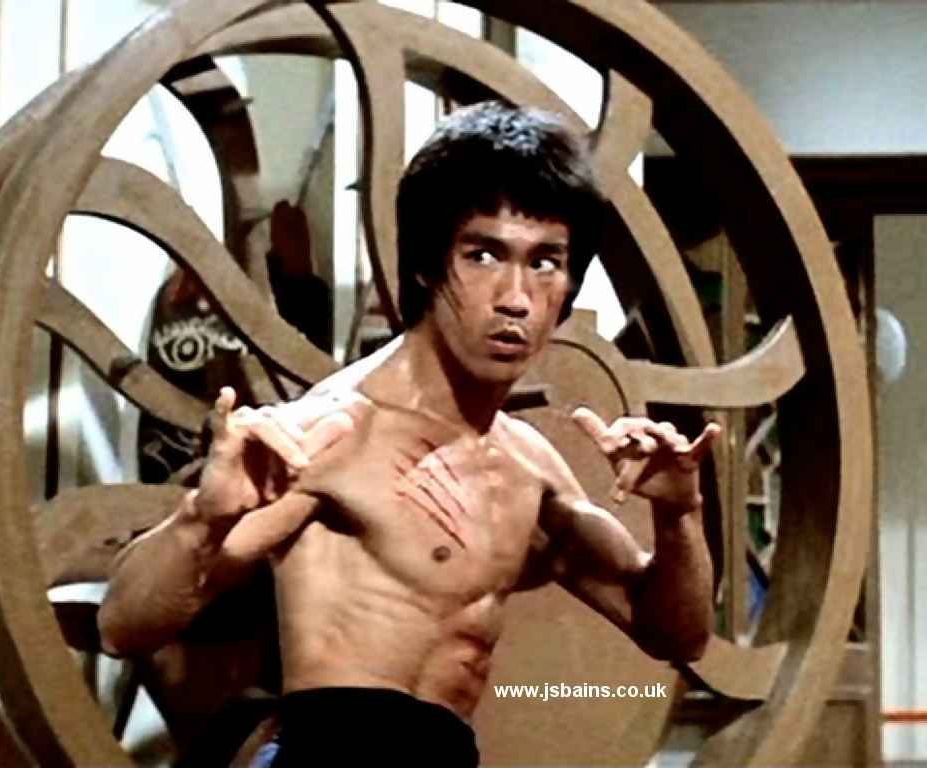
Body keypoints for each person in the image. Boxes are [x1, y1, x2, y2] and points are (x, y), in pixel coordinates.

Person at [98, 101, 718, 768]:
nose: (516, 297)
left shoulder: (527, 464)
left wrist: (679, 514)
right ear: (426, 263)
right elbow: (121, 627)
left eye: (545, 262)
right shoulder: (333, 432)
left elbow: (676, 635)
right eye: (484, 255)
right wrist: (201, 519)